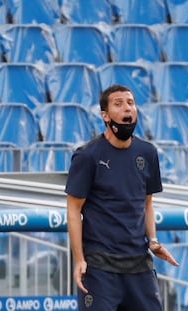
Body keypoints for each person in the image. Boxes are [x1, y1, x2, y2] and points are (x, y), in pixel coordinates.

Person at [65, 84, 178, 311]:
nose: (127, 108)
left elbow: (147, 203)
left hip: (138, 264)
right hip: (100, 267)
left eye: (130, 102)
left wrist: (153, 241)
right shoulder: (88, 155)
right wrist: (79, 259)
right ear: (105, 116)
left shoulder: (147, 153)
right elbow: (73, 209)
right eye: (118, 103)